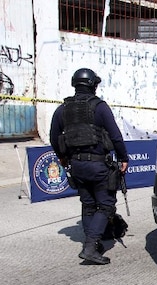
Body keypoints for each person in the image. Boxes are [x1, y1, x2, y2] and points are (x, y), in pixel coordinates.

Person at [50, 68, 128, 265]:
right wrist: (123, 158)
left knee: (88, 204)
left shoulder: (62, 109)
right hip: (97, 165)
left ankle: (93, 242)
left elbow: (53, 137)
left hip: (76, 165)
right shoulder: (99, 107)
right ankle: (91, 246)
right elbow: (116, 136)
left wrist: (63, 157)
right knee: (106, 205)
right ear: (93, 85)